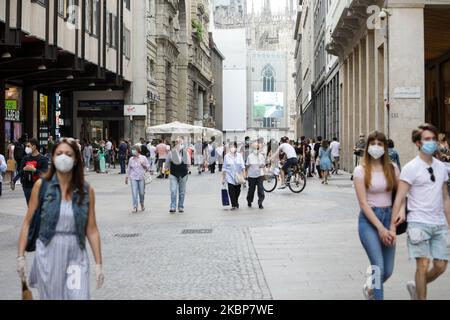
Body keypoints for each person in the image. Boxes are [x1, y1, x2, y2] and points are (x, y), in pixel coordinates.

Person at [16, 137, 104, 300]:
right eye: (59, 153)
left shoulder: (86, 190)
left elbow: (91, 229)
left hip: (75, 253)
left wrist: (98, 264)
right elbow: (27, 222)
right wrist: (20, 256)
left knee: (79, 296)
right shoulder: (42, 186)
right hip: (48, 251)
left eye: (68, 154)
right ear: (53, 158)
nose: (63, 157)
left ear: (76, 159)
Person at [392, 123, 450, 300]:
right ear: (418, 143)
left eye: (433, 139)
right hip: (418, 223)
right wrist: (392, 227)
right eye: (427, 139)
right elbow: (400, 197)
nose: (432, 142)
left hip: (439, 223)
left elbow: (446, 198)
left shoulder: (441, 167)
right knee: (422, 266)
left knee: (440, 266)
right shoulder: (411, 168)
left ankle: (417, 286)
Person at [354, 131, 400, 300]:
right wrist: (380, 229)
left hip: (389, 218)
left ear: (385, 148)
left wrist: (392, 228)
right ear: (367, 147)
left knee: (387, 270)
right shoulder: (360, 171)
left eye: (380, 144)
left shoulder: (392, 168)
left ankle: (370, 288)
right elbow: (363, 204)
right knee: (378, 267)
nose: (376, 147)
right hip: (369, 220)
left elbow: (399, 198)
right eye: (372, 143)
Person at [12, 139, 49, 204]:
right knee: (30, 206)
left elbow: (45, 174)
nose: (26, 148)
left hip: (38, 186)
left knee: (38, 207)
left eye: (28, 146)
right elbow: (20, 171)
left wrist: (34, 170)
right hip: (26, 186)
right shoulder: (25, 158)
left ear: (34, 147)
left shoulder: (43, 159)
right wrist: (14, 180)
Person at [166, 138, 190, 213]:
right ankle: (173, 206)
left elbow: (188, 164)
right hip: (173, 174)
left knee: (182, 192)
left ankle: (180, 206)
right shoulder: (171, 153)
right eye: (177, 142)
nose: (178, 144)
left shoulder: (185, 152)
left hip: (183, 174)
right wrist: (166, 172)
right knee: (173, 190)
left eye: (180, 143)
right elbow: (167, 163)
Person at [125, 145, 150, 213]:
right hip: (133, 177)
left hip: (141, 177)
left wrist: (143, 165)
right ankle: (135, 206)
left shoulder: (143, 158)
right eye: (132, 150)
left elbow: (148, 167)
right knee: (134, 192)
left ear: (138, 151)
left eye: (134, 150)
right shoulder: (131, 159)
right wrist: (127, 177)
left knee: (141, 193)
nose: (132, 152)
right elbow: (129, 168)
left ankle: (142, 203)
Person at [222, 142, 245, 211]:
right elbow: (224, 168)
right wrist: (223, 179)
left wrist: (244, 176)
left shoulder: (239, 156)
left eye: (234, 147)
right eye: (231, 147)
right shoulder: (226, 156)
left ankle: (236, 201)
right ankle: (233, 205)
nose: (232, 148)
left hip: (238, 176)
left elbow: (242, 166)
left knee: (237, 191)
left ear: (236, 148)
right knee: (231, 191)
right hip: (230, 177)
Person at [246, 142, 265, 209]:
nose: (256, 149)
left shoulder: (261, 156)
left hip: (260, 175)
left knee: (260, 190)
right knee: (251, 190)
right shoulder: (250, 156)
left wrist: (262, 167)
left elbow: (263, 165)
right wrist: (245, 175)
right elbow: (247, 166)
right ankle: (249, 201)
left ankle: (260, 203)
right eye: (254, 148)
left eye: (257, 148)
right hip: (251, 176)